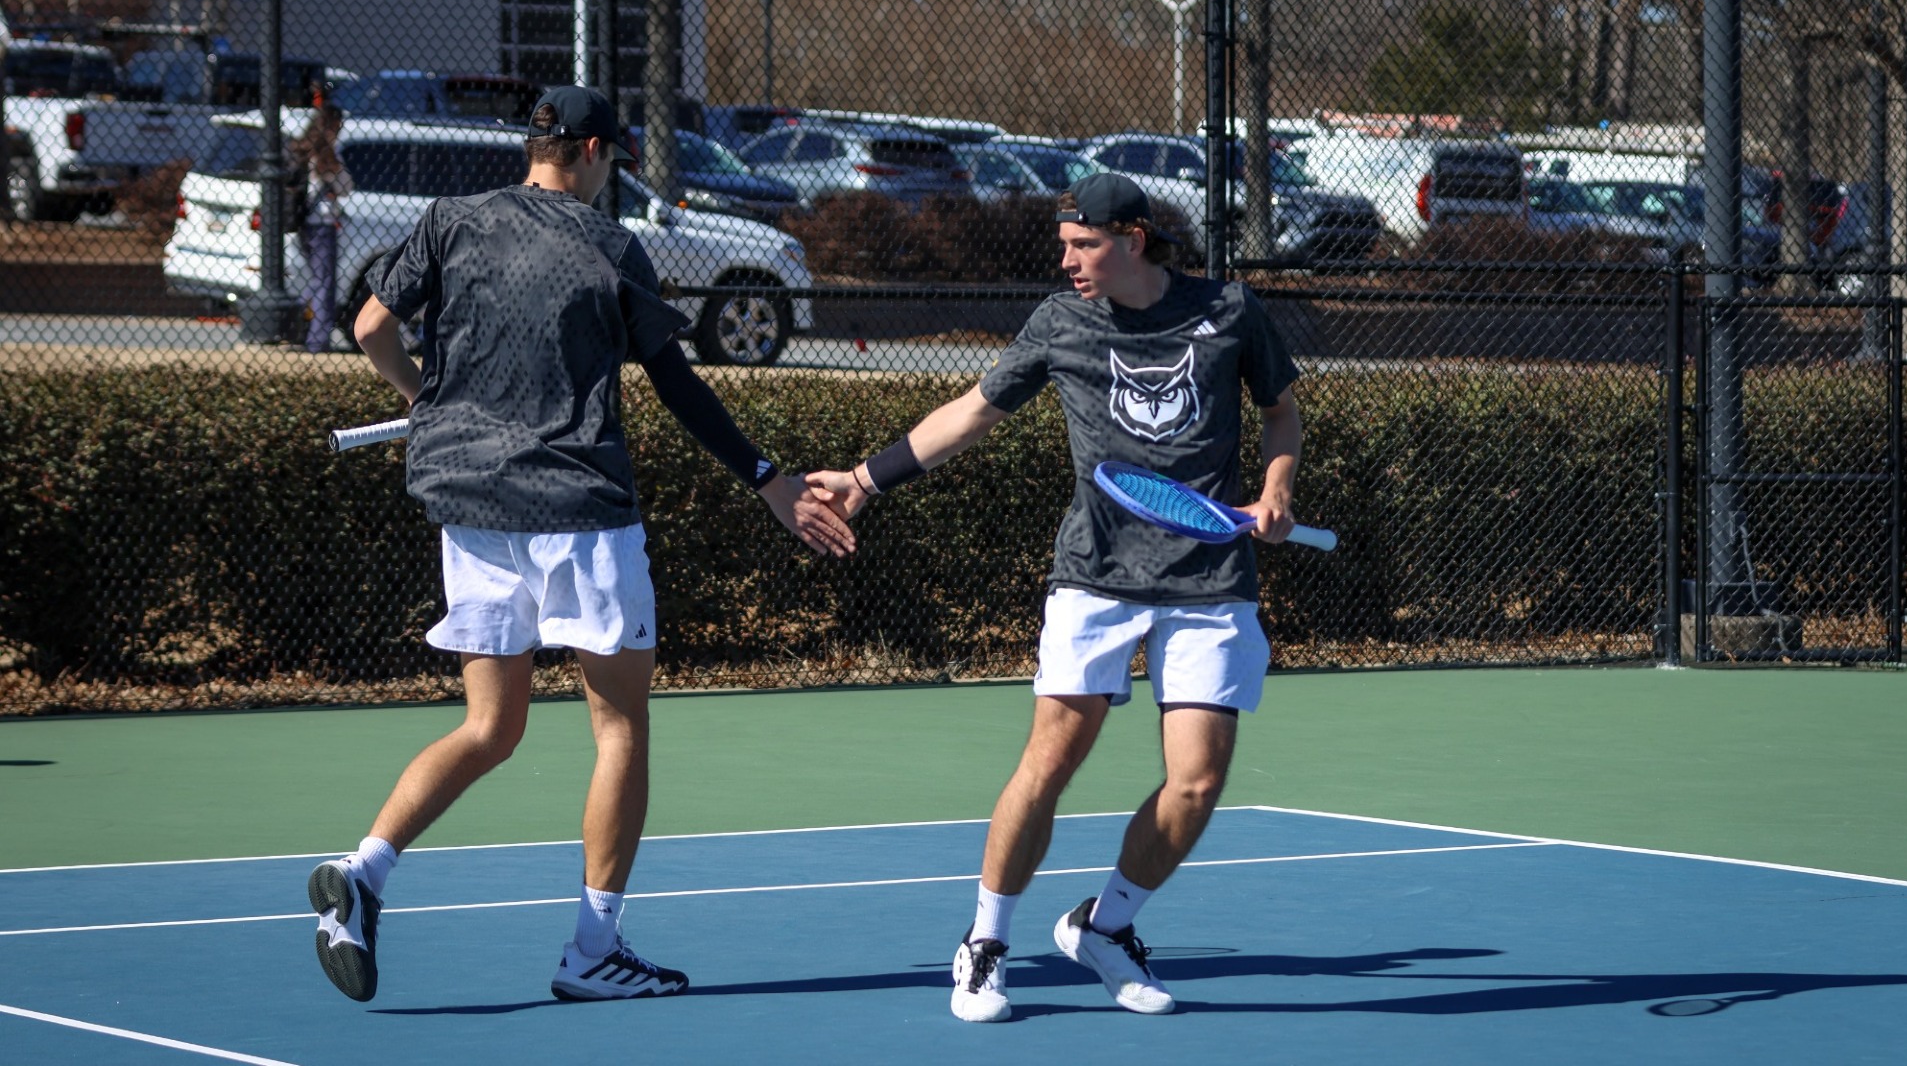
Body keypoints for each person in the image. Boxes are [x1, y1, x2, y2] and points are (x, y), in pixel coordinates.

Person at [309, 86, 855, 1004]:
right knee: (619, 726)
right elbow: (677, 382)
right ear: (596, 150)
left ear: (538, 145)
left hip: (473, 511)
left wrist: (420, 397)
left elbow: (369, 325)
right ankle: (592, 948)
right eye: (617, 155)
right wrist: (768, 479)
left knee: (491, 727)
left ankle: (362, 875)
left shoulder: (451, 220)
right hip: (580, 517)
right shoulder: (609, 247)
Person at [808, 173, 1304, 1022]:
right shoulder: (1060, 321)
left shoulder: (1228, 311)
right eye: (1065, 246)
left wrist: (1278, 488)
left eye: (1084, 246)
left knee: (1197, 782)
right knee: (1050, 763)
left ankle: (1105, 927)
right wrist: (865, 478)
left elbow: (1281, 412)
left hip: (1211, 580)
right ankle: (985, 944)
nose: (1068, 261)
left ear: (1134, 240)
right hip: (1097, 577)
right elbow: (972, 411)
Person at [288, 104, 351, 353]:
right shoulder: (327, 156)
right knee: (325, 283)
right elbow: (346, 186)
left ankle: (291, 318)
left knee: (317, 280)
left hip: (304, 223)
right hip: (322, 224)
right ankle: (317, 339)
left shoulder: (302, 149)